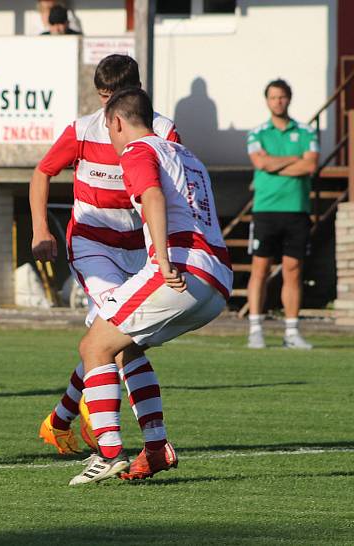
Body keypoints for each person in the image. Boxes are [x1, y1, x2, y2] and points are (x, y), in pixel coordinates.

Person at [69, 87, 232, 485]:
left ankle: (108, 454)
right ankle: (156, 450)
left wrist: (161, 257)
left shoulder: (138, 151)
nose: (108, 137)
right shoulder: (186, 155)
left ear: (118, 122)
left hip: (180, 267)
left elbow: (153, 196)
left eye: (108, 128)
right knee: (125, 347)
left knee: (94, 345)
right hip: (218, 279)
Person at [31, 55, 180, 459]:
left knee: (115, 338)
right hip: (91, 245)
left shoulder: (163, 132)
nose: (108, 107)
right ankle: (111, 437)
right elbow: (42, 172)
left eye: (115, 96)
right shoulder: (82, 129)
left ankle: (61, 420)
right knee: (122, 339)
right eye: (102, 96)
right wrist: (40, 229)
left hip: (138, 248)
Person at [246, 79, 318, 350]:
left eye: (282, 97)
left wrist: (276, 164)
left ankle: (291, 332)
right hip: (265, 209)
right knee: (260, 269)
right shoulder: (257, 133)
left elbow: (310, 165)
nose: (278, 101)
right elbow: (260, 162)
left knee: (293, 270)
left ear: (289, 99)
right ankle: (255, 329)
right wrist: (294, 160)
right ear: (267, 101)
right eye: (273, 97)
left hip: (297, 209)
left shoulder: (306, 131)